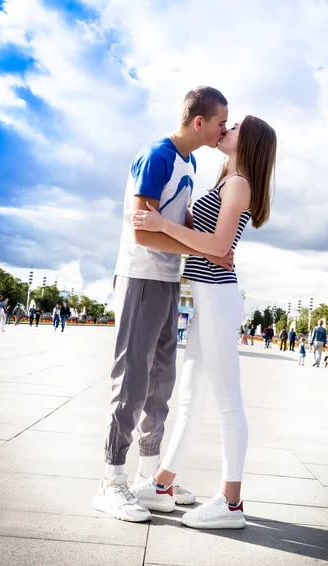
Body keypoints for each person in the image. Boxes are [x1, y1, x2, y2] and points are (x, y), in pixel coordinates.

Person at [93, 86, 232, 523]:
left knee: (160, 382)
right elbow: (142, 231)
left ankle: (148, 478)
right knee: (132, 380)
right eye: (220, 122)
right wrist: (204, 251)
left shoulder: (188, 162)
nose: (223, 129)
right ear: (199, 123)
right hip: (139, 276)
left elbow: (174, 224)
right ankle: (111, 481)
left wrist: (204, 244)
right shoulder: (157, 155)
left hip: (168, 280)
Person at [131, 115, 277, 529]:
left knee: (228, 400)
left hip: (218, 296)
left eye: (235, 127)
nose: (226, 130)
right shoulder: (225, 181)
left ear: (248, 142)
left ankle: (231, 504)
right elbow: (206, 245)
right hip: (207, 297)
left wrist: (161, 224)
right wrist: (181, 233)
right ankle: (162, 484)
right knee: (192, 398)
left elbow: (218, 246)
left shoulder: (239, 184)